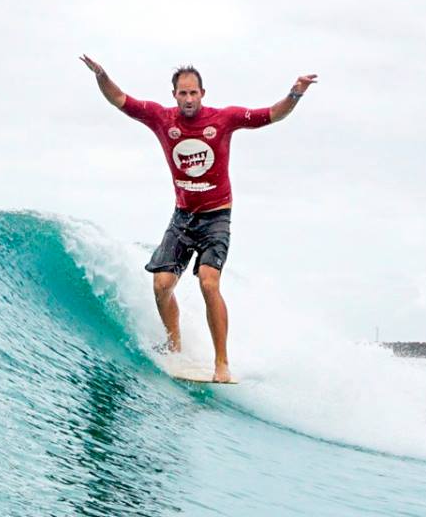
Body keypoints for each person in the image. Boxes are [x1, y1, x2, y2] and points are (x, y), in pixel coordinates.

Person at [80, 55, 317, 382]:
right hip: (183, 217)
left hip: (217, 215)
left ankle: (221, 364)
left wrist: (295, 93)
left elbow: (272, 115)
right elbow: (121, 100)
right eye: (182, 93)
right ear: (174, 95)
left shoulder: (224, 119)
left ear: (203, 93)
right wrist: (102, 75)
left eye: (194, 93)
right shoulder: (161, 119)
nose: (188, 99)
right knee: (161, 284)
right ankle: (174, 347)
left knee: (208, 281)